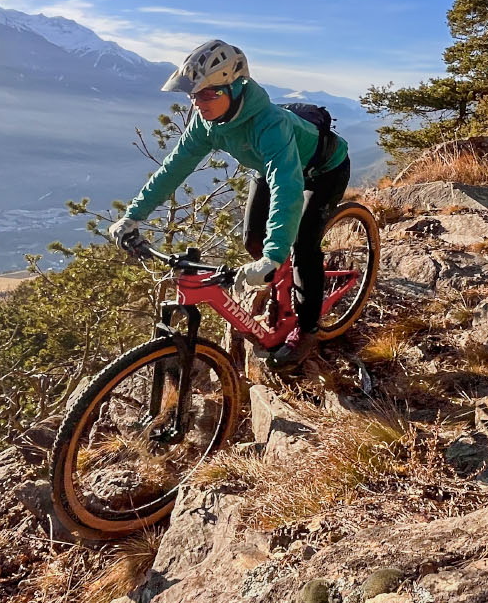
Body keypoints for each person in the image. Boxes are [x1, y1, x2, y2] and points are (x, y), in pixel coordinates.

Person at [108, 39, 350, 368]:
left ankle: (306, 329)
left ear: (234, 88)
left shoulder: (270, 125)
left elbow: (287, 187)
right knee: (252, 238)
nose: (198, 103)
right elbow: (173, 169)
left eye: (208, 93)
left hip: (323, 170)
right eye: (193, 94)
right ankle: (280, 285)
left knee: (303, 244)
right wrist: (132, 217)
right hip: (271, 168)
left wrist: (275, 254)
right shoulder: (206, 124)